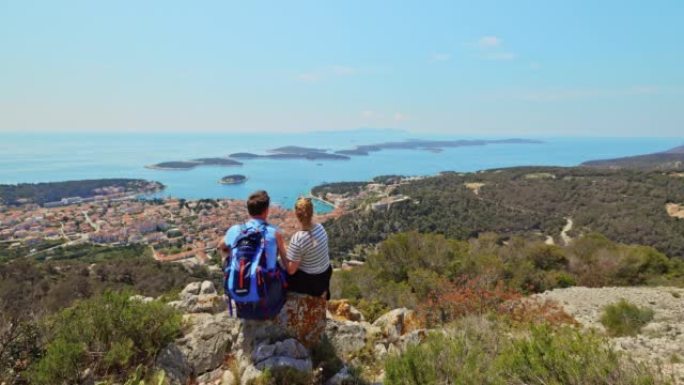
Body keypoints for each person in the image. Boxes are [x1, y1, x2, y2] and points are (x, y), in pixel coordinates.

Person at [219, 190, 288, 319]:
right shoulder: (274, 233)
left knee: (227, 255)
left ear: (248, 210)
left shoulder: (235, 230)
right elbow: (287, 264)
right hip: (268, 302)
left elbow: (221, 246)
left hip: (239, 299)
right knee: (278, 265)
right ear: (266, 211)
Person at [280, 197, 332, 299]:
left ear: (296, 215)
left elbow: (291, 270)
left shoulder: (299, 238)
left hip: (312, 283)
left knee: (280, 268)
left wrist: (281, 249)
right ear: (312, 212)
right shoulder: (320, 228)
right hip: (325, 276)